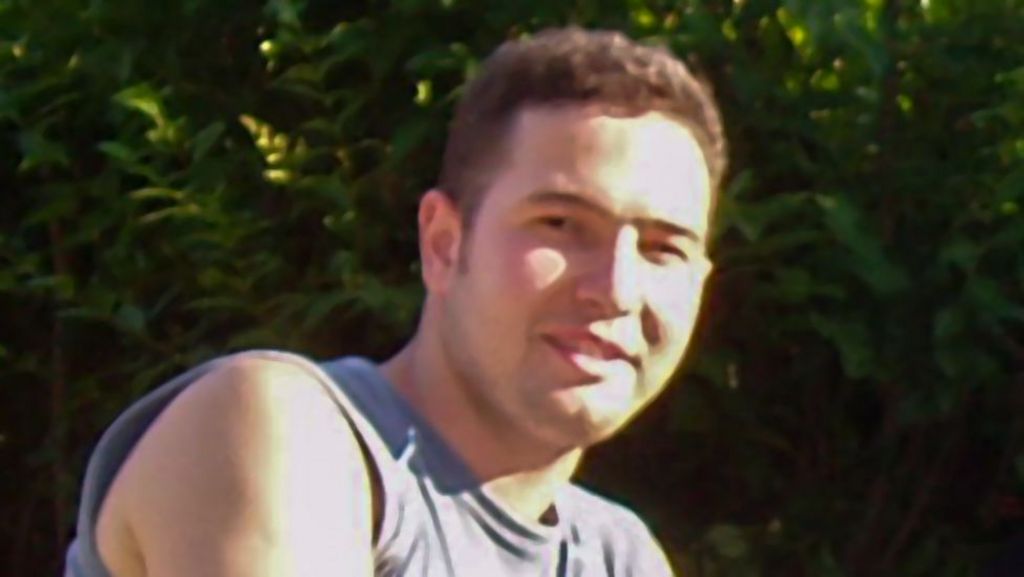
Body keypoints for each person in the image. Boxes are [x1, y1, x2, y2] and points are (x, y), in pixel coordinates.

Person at [65, 26, 727, 577]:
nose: (615, 288)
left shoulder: (616, 557)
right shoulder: (284, 431)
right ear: (443, 243)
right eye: (560, 224)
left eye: (662, 248)